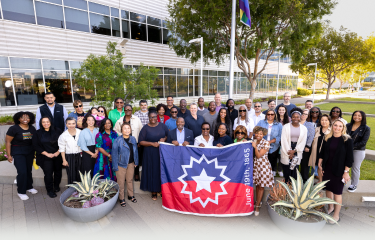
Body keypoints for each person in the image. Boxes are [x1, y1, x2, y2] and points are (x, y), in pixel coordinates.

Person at [318, 119, 353, 224]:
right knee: (328, 189)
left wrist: (346, 172)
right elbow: (323, 152)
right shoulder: (327, 137)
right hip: (327, 168)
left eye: (340, 126)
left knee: (337, 192)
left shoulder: (347, 140)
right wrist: (320, 163)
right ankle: (330, 207)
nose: (337, 128)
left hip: (339, 170)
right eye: (335, 125)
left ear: (343, 128)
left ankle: (336, 215)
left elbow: (349, 158)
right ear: (332, 126)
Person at [6, 112, 37, 200]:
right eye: (22, 118)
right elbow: (8, 142)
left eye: (27, 118)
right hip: (18, 152)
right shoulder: (13, 128)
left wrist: (35, 152)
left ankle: (29, 187)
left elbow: (34, 140)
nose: (25, 120)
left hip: (29, 152)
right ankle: (21, 191)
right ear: (18, 119)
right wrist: (9, 155)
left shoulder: (32, 128)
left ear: (30, 119)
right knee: (22, 172)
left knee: (28, 170)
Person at [139, 111, 169, 201]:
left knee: (161, 170)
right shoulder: (145, 128)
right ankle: (154, 191)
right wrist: (152, 144)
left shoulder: (162, 125)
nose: (153, 119)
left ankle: (160, 189)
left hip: (161, 152)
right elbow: (141, 142)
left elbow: (167, 135)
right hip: (150, 152)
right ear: (148, 118)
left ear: (157, 117)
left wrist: (164, 139)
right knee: (152, 171)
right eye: (151, 117)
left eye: (154, 117)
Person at [32, 116, 63, 198]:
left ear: (51, 122)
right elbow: (35, 145)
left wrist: (58, 152)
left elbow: (63, 142)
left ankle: (56, 186)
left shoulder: (58, 130)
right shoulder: (37, 133)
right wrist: (47, 154)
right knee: (48, 174)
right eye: (44, 122)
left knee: (58, 172)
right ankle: (50, 190)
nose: (46, 123)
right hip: (45, 156)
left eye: (47, 121)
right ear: (41, 123)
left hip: (57, 155)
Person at [112, 123, 139, 207]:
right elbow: (114, 154)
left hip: (131, 164)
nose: (127, 130)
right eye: (125, 128)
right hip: (121, 165)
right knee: (120, 182)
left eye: (128, 128)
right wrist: (115, 166)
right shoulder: (118, 140)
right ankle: (121, 198)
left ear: (130, 130)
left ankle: (130, 195)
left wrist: (136, 161)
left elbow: (135, 151)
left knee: (130, 180)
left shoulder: (133, 139)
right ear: (121, 130)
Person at [280, 108, 307, 183]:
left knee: (294, 170)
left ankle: (293, 189)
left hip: (297, 150)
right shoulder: (286, 126)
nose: (295, 118)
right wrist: (289, 151)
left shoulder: (304, 128)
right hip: (287, 149)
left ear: (300, 118)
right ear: (291, 118)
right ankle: (286, 188)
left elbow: (303, 141)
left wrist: (294, 151)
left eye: (297, 117)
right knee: (287, 170)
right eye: (294, 117)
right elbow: (284, 140)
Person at [346, 111, 370, 192]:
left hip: (358, 151)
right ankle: (343, 181)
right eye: (355, 115)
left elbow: (363, 142)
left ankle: (354, 184)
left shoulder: (366, 128)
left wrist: (351, 147)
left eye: (359, 115)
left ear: (363, 117)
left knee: (355, 168)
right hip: (345, 149)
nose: (356, 117)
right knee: (342, 166)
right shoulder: (347, 125)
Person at [252, 126, 274, 216]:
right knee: (257, 185)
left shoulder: (266, 143)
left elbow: (258, 155)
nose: (258, 135)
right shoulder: (254, 141)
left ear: (263, 134)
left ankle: (257, 206)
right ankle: (258, 201)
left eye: (261, 134)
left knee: (261, 186)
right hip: (256, 165)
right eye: (257, 133)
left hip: (263, 166)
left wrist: (255, 147)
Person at [256, 109, 283, 177]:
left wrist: (270, 142)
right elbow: (256, 132)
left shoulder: (279, 124)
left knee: (272, 160)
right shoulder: (261, 122)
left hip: (274, 145)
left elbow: (280, 136)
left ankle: (271, 174)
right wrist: (263, 141)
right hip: (262, 145)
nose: (270, 115)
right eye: (268, 114)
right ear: (266, 115)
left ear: (274, 115)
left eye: (272, 114)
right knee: (262, 160)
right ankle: (262, 174)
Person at [58, 117, 82, 185]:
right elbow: (62, 149)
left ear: (76, 124)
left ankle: (81, 191)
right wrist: (64, 160)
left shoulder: (80, 132)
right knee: (71, 175)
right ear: (66, 124)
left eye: (73, 123)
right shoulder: (63, 136)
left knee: (80, 174)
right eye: (69, 124)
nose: (71, 125)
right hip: (69, 156)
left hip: (80, 155)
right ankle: (72, 192)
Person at [309, 114, 331, 182]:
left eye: (326, 120)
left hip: (327, 152)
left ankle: (327, 181)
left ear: (329, 121)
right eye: (322, 120)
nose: (324, 121)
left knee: (326, 167)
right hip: (317, 151)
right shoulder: (317, 129)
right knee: (319, 166)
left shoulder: (332, 130)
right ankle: (320, 181)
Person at [299, 109, 315, 183]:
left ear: (307, 116)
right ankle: (295, 178)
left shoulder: (309, 125)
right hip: (294, 146)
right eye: (302, 113)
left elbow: (311, 136)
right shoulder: (294, 123)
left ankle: (304, 179)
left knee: (304, 164)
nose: (303, 115)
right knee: (295, 163)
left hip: (305, 147)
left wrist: (308, 146)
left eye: (305, 114)